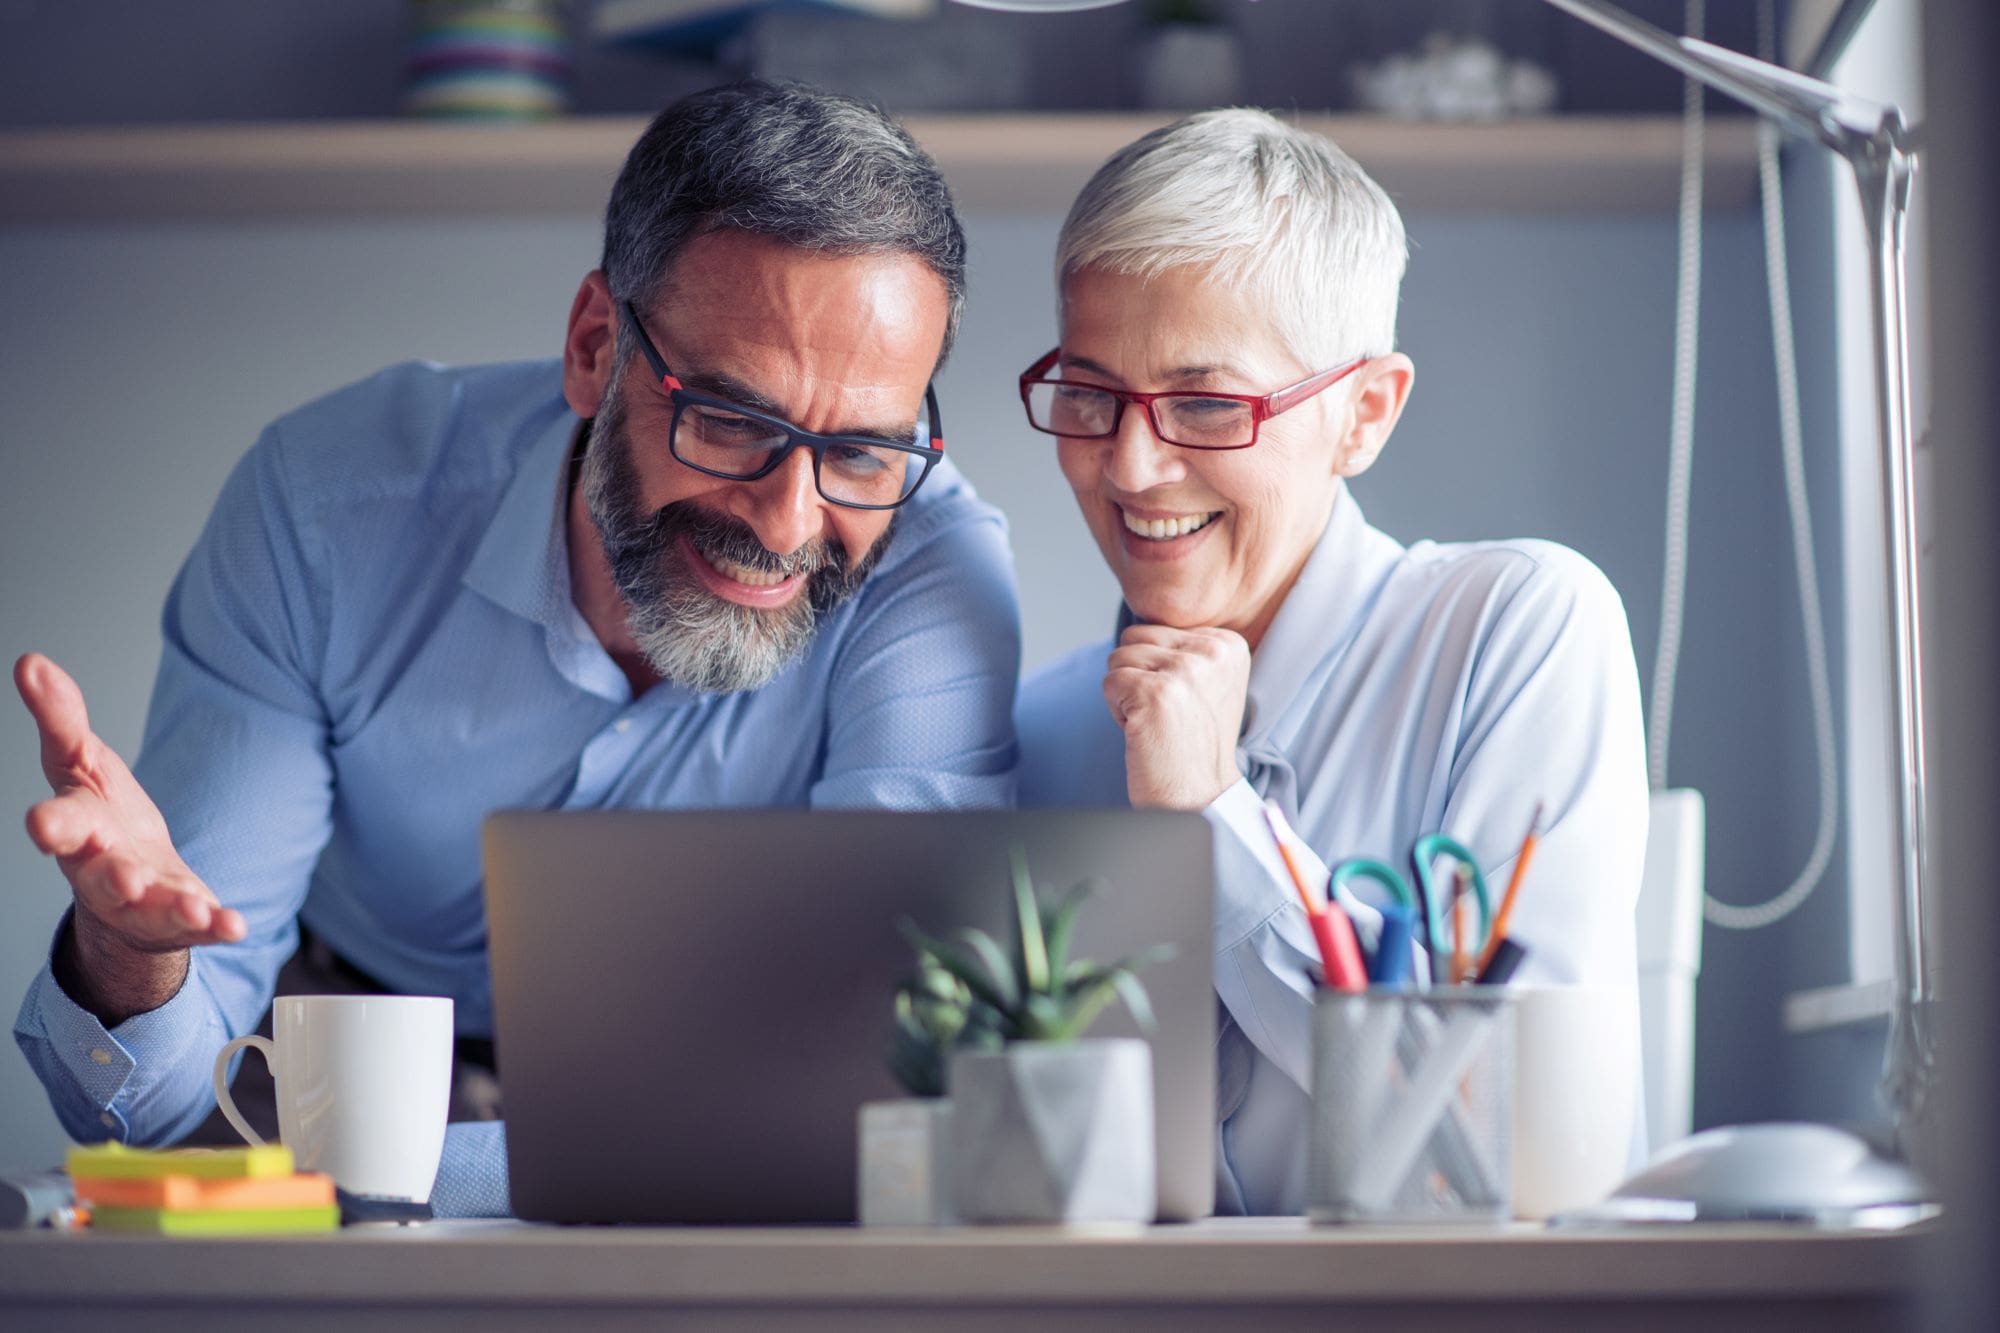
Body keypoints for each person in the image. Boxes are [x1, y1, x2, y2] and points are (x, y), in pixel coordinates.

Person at [12, 80, 1020, 1212]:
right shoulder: (325, 512)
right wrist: (129, 954)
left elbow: (884, 1056)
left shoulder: (932, 568)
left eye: (863, 452)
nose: (788, 525)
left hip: (701, 1074)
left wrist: (418, 1174)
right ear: (595, 347)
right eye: (732, 421)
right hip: (334, 1045)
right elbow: (142, 1103)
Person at [1015, 108, 1648, 1216]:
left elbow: (1516, 1151)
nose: (1130, 465)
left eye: (1205, 403)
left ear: (1363, 413)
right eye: (1090, 393)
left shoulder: (1517, 627)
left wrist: (1209, 816)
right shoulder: (1047, 730)